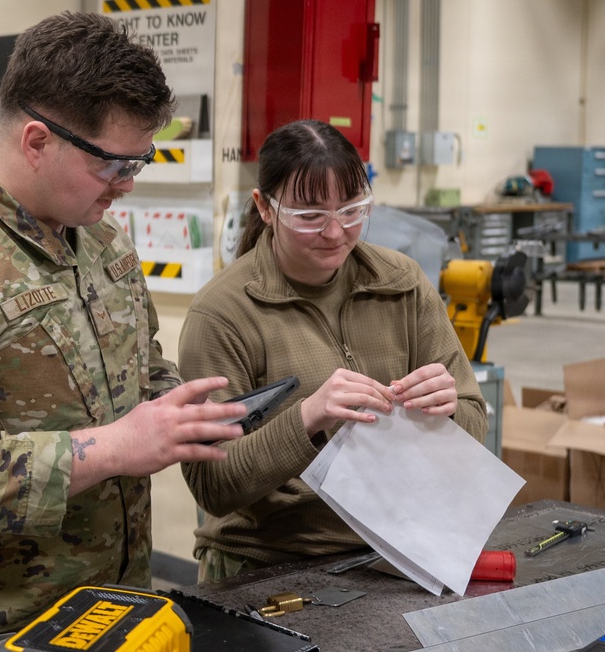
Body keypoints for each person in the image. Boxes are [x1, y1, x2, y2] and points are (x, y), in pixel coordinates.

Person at [0, 11, 247, 643]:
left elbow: (139, 369)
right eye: (115, 166)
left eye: (140, 163)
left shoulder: (99, 242)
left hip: (114, 608)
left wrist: (180, 406)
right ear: (36, 141)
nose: (127, 188)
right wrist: (112, 448)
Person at [177, 119, 489, 582]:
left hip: (399, 555)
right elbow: (214, 486)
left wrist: (448, 410)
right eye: (310, 216)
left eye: (352, 210)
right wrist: (307, 420)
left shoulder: (401, 284)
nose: (336, 232)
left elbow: (475, 422)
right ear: (264, 208)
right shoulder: (222, 315)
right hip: (264, 567)